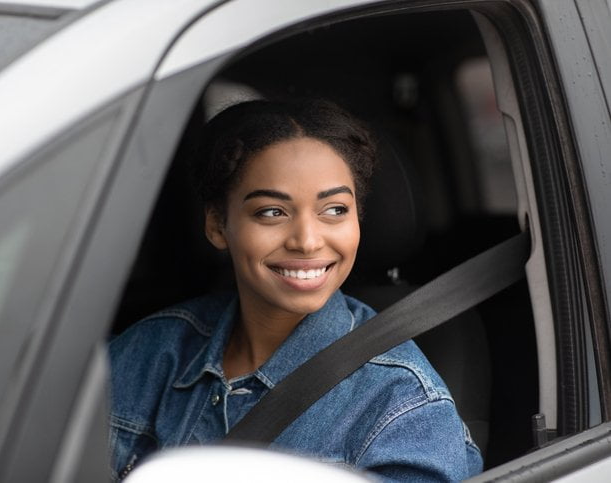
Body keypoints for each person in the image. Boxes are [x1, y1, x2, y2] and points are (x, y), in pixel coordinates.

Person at [109, 99, 483, 481]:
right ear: (218, 225)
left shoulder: (402, 405)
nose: (306, 241)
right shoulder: (151, 353)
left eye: (335, 210)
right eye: (272, 212)